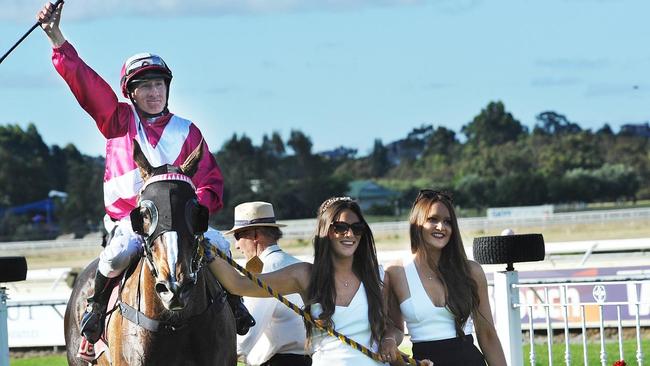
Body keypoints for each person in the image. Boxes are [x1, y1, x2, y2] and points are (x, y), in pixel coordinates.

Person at [36, 2, 253, 343]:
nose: (154, 92)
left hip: (182, 223)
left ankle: (236, 304)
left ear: (167, 88)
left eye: (158, 85)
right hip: (134, 221)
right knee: (118, 253)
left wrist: (198, 213)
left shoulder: (188, 131)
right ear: (131, 93)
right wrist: (56, 37)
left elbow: (210, 180)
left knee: (218, 243)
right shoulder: (118, 121)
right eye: (145, 87)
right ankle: (94, 309)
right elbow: (88, 86)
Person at [203, 197, 405, 366]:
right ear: (326, 231)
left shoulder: (378, 276)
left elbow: (393, 328)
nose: (350, 234)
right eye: (340, 227)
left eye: (356, 227)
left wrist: (389, 340)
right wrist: (202, 244)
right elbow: (238, 284)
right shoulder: (304, 275)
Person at [385, 189, 507, 366]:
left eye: (447, 222)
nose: (441, 227)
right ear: (417, 222)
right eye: (433, 219)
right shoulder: (396, 271)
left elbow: (487, 334)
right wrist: (388, 339)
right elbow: (394, 329)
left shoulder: (471, 271)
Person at [224, 201, 311, 366]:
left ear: (255, 236)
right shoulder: (292, 263)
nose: (236, 245)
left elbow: (248, 332)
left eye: (238, 236)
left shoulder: (267, 272)